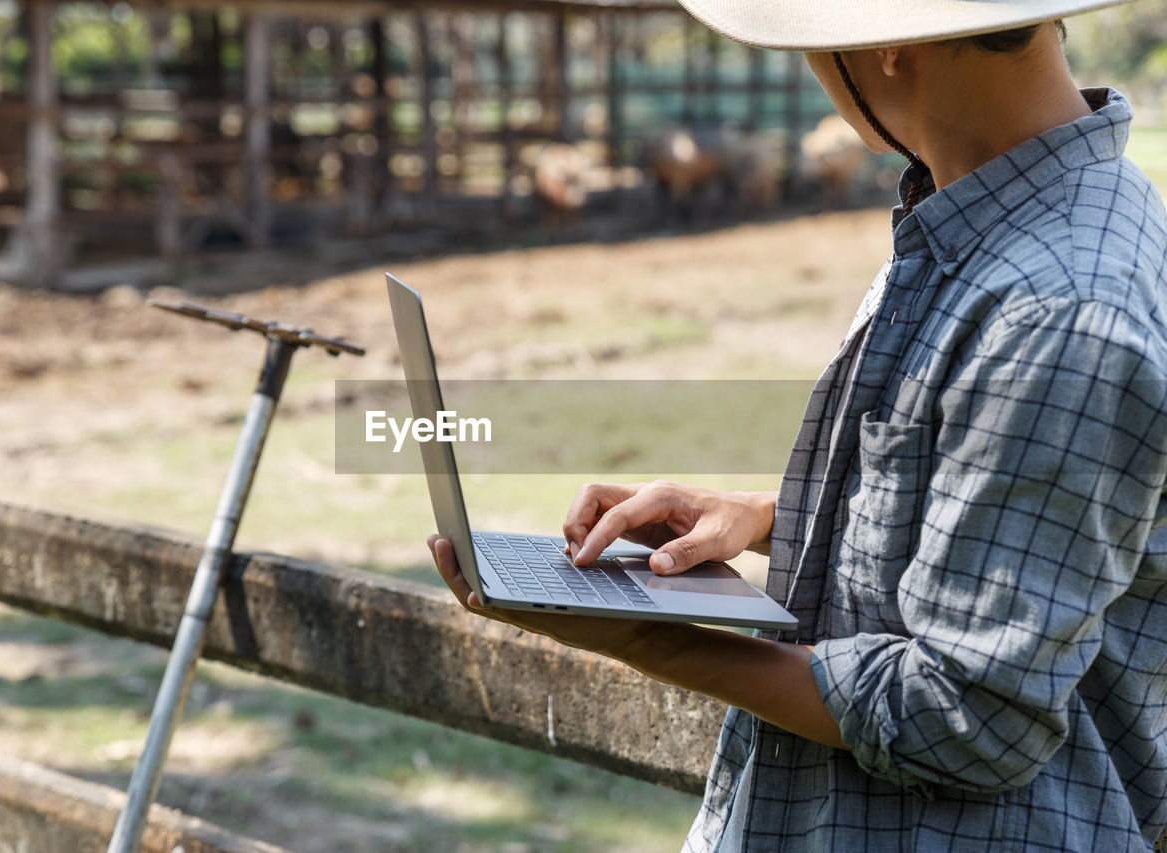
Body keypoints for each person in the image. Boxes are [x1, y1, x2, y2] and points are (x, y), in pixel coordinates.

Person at [428, 1, 1167, 849]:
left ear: (886, 41)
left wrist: (638, 634)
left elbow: (967, 717)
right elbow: (1022, 519)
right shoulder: (989, 222)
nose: (814, 67)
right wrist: (767, 516)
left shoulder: (1059, 307)